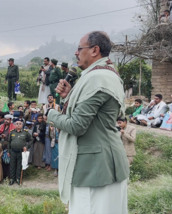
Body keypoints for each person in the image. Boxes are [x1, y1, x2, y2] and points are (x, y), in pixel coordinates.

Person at [48, 31, 129, 213]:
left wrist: (50, 114)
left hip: (95, 169)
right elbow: (97, 116)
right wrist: (69, 96)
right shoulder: (105, 74)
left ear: (95, 50)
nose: (76, 53)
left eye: (79, 48)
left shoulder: (97, 78)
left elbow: (77, 125)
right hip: (104, 161)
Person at [8, 120, 32, 185]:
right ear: (15, 125)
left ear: (22, 125)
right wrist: (8, 151)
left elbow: (31, 140)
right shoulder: (12, 132)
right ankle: (12, 179)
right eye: (17, 124)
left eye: (20, 124)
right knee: (12, 165)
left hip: (21, 152)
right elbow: (9, 142)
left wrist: (26, 147)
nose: (18, 125)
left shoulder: (25, 133)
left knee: (19, 165)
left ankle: (18, 178)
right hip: (13, 151)